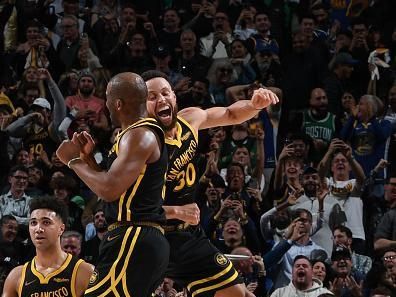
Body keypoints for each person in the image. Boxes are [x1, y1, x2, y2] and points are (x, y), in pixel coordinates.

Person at [142, 70, 278, 297]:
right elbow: (131, 209)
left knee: (240, 294)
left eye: (165, 93)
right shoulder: (142, 146)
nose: (161, 100)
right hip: (157, 237)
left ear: (174, 97)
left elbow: (230, 113)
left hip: (189, 232)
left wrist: (254, 105)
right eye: (152, 97)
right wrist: (177, 211)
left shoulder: (190, 119)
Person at [55, 72, 172, 296]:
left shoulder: (140, 135)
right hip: (137, 237)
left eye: (107, 99)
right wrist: (89, 160)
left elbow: (109, 190)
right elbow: (114, 189)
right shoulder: (131, 135)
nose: (105, 105)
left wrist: (73, 161)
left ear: (117, 103)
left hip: (133, 236)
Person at [2, 195, 93, 297]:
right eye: (33, 223)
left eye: (46, 222)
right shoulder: (16, 276)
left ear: (61, 229)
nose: (38, 229)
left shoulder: (85, 272)